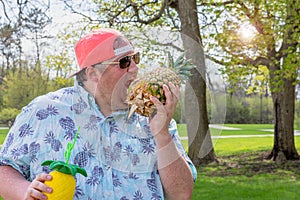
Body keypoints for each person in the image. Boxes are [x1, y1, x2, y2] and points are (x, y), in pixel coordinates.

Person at [0, 28, 197, 200]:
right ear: (93, 73)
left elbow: (181, 194)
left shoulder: (154, 115)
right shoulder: (43, 111)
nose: (135, 68)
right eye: (124, 62)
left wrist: (162, 136)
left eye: (135, 58)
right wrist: (25, 191)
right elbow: (5, 167)